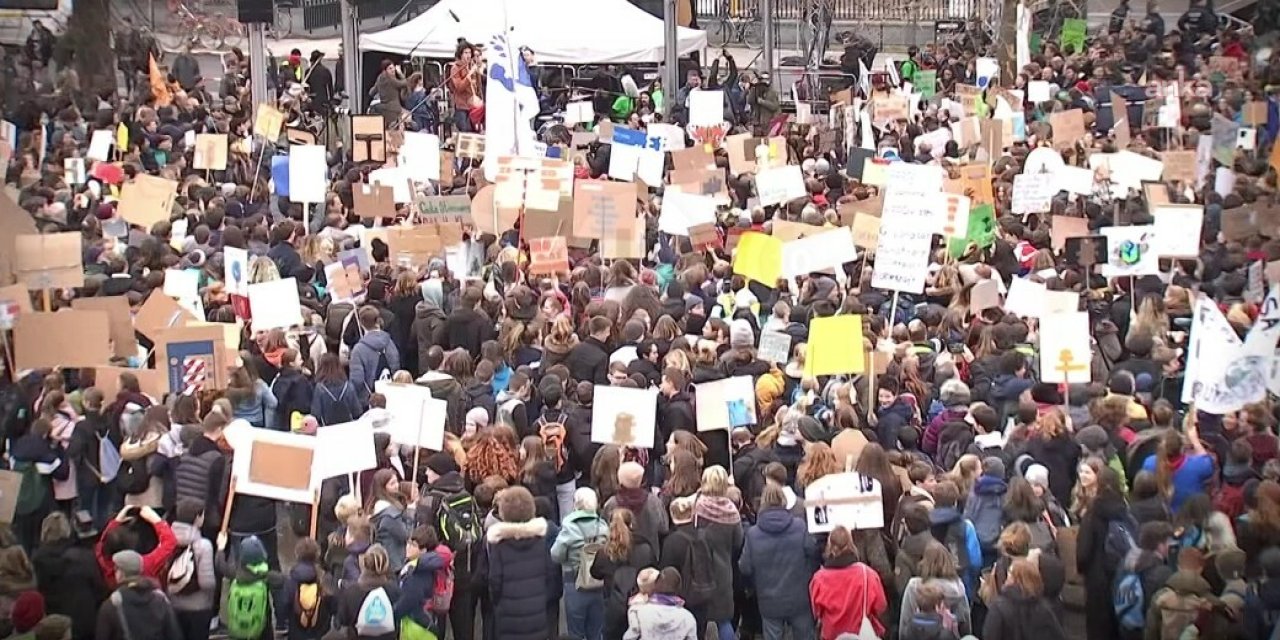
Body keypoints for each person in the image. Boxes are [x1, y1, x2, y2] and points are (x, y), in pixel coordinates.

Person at [739, 484, 817, 640]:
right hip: (799, 597)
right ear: (783, 501)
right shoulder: (800, 526)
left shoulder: (753, 534)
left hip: (769, 600)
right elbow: (813, 553)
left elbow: (745, 567)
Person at [476, 486, 552, 640]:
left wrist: (497, 602)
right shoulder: (541, 539)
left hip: (507, 614)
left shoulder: (497, 544)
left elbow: (494, 580)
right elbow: (550, 576)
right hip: (536, 611)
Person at [31, 512, 105, 640]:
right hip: (85, 621)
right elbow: (99, 590)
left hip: (54, 626)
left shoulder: (37, 561)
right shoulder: (84, 556)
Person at [809, 526, 887, 639]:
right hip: (860, 635)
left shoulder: (818, 579)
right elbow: (881, 606)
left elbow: (816, 613)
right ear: (851, 545)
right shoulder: (868, 575)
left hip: (831, 636)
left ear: (829, 546)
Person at [551, 487, 608, 640]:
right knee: (596, 631)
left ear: (576, 504)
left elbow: (556, 555)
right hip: (599, 582)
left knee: (575, 632)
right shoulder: (602, 526)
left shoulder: (569, 528)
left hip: (575, 580)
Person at [93, 550, 184, 640]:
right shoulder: (160, 598)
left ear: (121, 573)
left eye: (116, 569)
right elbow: (174, 634)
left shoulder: (111, 605)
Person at [168, 499, 218, 640]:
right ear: (197, 518)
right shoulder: (203, 546)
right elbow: (207, 584)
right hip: (199, 607)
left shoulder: (167, 541)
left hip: (173, 605)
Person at [982, 558, 1068, 640]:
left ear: (1015, 579)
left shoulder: (998, 608)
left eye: (1010, 573)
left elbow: (990, 636)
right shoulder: (1044, 609)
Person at [622, 567, 698, 639]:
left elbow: (630, 637)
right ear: (678, 589)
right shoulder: (688, 618)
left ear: (655, 586)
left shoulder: (639, 611)